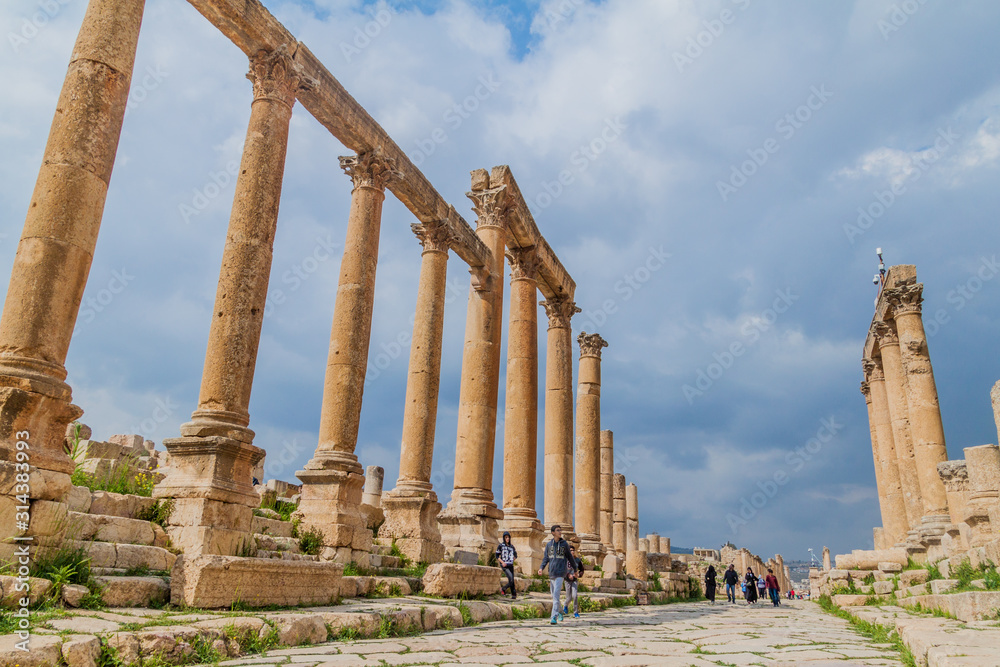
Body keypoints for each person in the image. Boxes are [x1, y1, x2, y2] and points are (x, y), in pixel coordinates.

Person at [539, 524, 571, 625]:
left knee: (556, 595)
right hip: (552, 572)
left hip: (561, 573)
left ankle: (554, 617)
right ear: (553, 533)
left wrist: (574, 570)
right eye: (558, 530)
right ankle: (560, 611)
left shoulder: (564, 544)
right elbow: (546, 558)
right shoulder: (549, 545)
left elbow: (570, 557)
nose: (560, 532)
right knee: (554, 596)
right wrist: (541, 568)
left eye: (560, 530)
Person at [563, 544, 585, 618]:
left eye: (573, 550)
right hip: (567, 580)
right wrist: (568, 575)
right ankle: (565, 605)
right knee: (569, 597)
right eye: (570, 550)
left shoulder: (577, 560)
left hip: (574, 580)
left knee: (575, 596)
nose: (572, 552)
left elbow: (582, 569)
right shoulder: (564, 560)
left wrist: (579, 575)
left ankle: (576, 612)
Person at [495, 531, 517, 599]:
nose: (507, 539)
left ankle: (513, 594)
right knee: (510, 578)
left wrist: (512, 559)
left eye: (508, 537)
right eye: (506, 537)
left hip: (510, 565)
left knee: (512, 580)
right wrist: (502, 562)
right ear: (504, 538)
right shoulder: (501, 546)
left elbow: (515, 555)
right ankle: (503, 589)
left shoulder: (512, 546)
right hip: (504, 565)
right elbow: (497, 556)